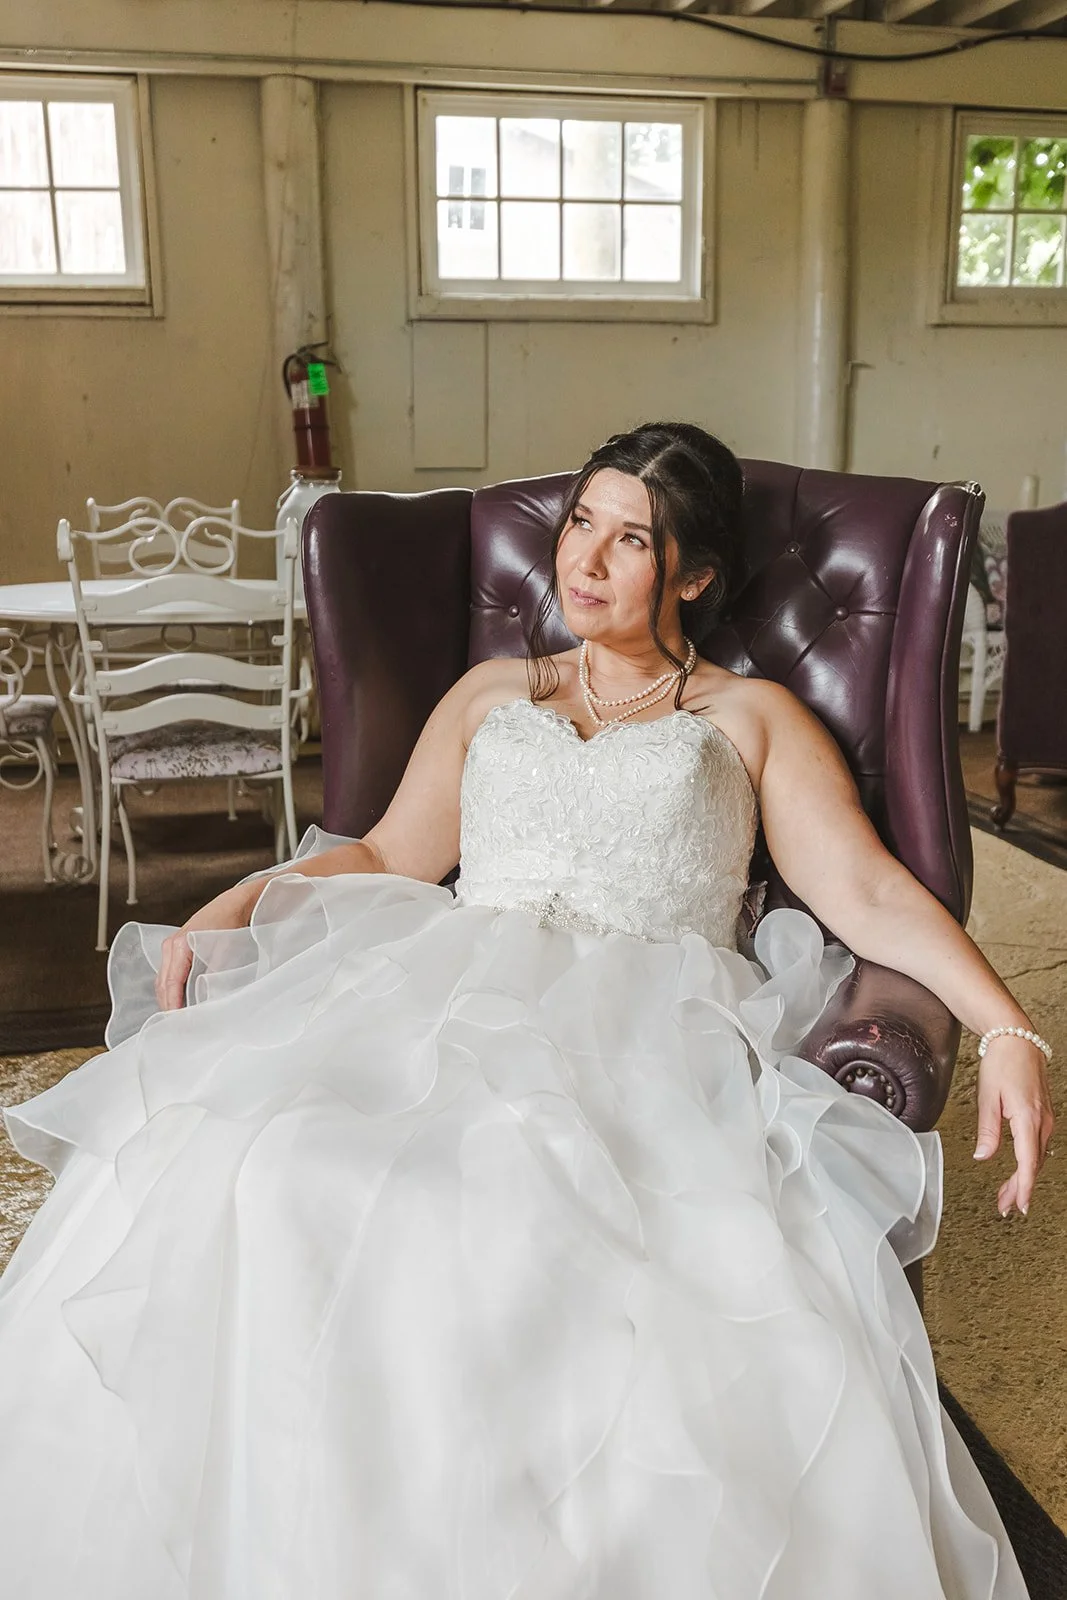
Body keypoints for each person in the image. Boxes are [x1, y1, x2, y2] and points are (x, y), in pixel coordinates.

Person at [0, 421, 1053, 1599]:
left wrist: (1006, 1025)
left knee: (539, 1222)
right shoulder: (493, 692)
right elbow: (393, 852)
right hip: (441, 982)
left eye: (631, 539)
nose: (586, 558)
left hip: (650, 1027)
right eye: (579, 524)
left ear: (693, 576)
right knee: (271, 1156)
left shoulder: (747, 719)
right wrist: (248, 891)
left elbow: (865, 890)